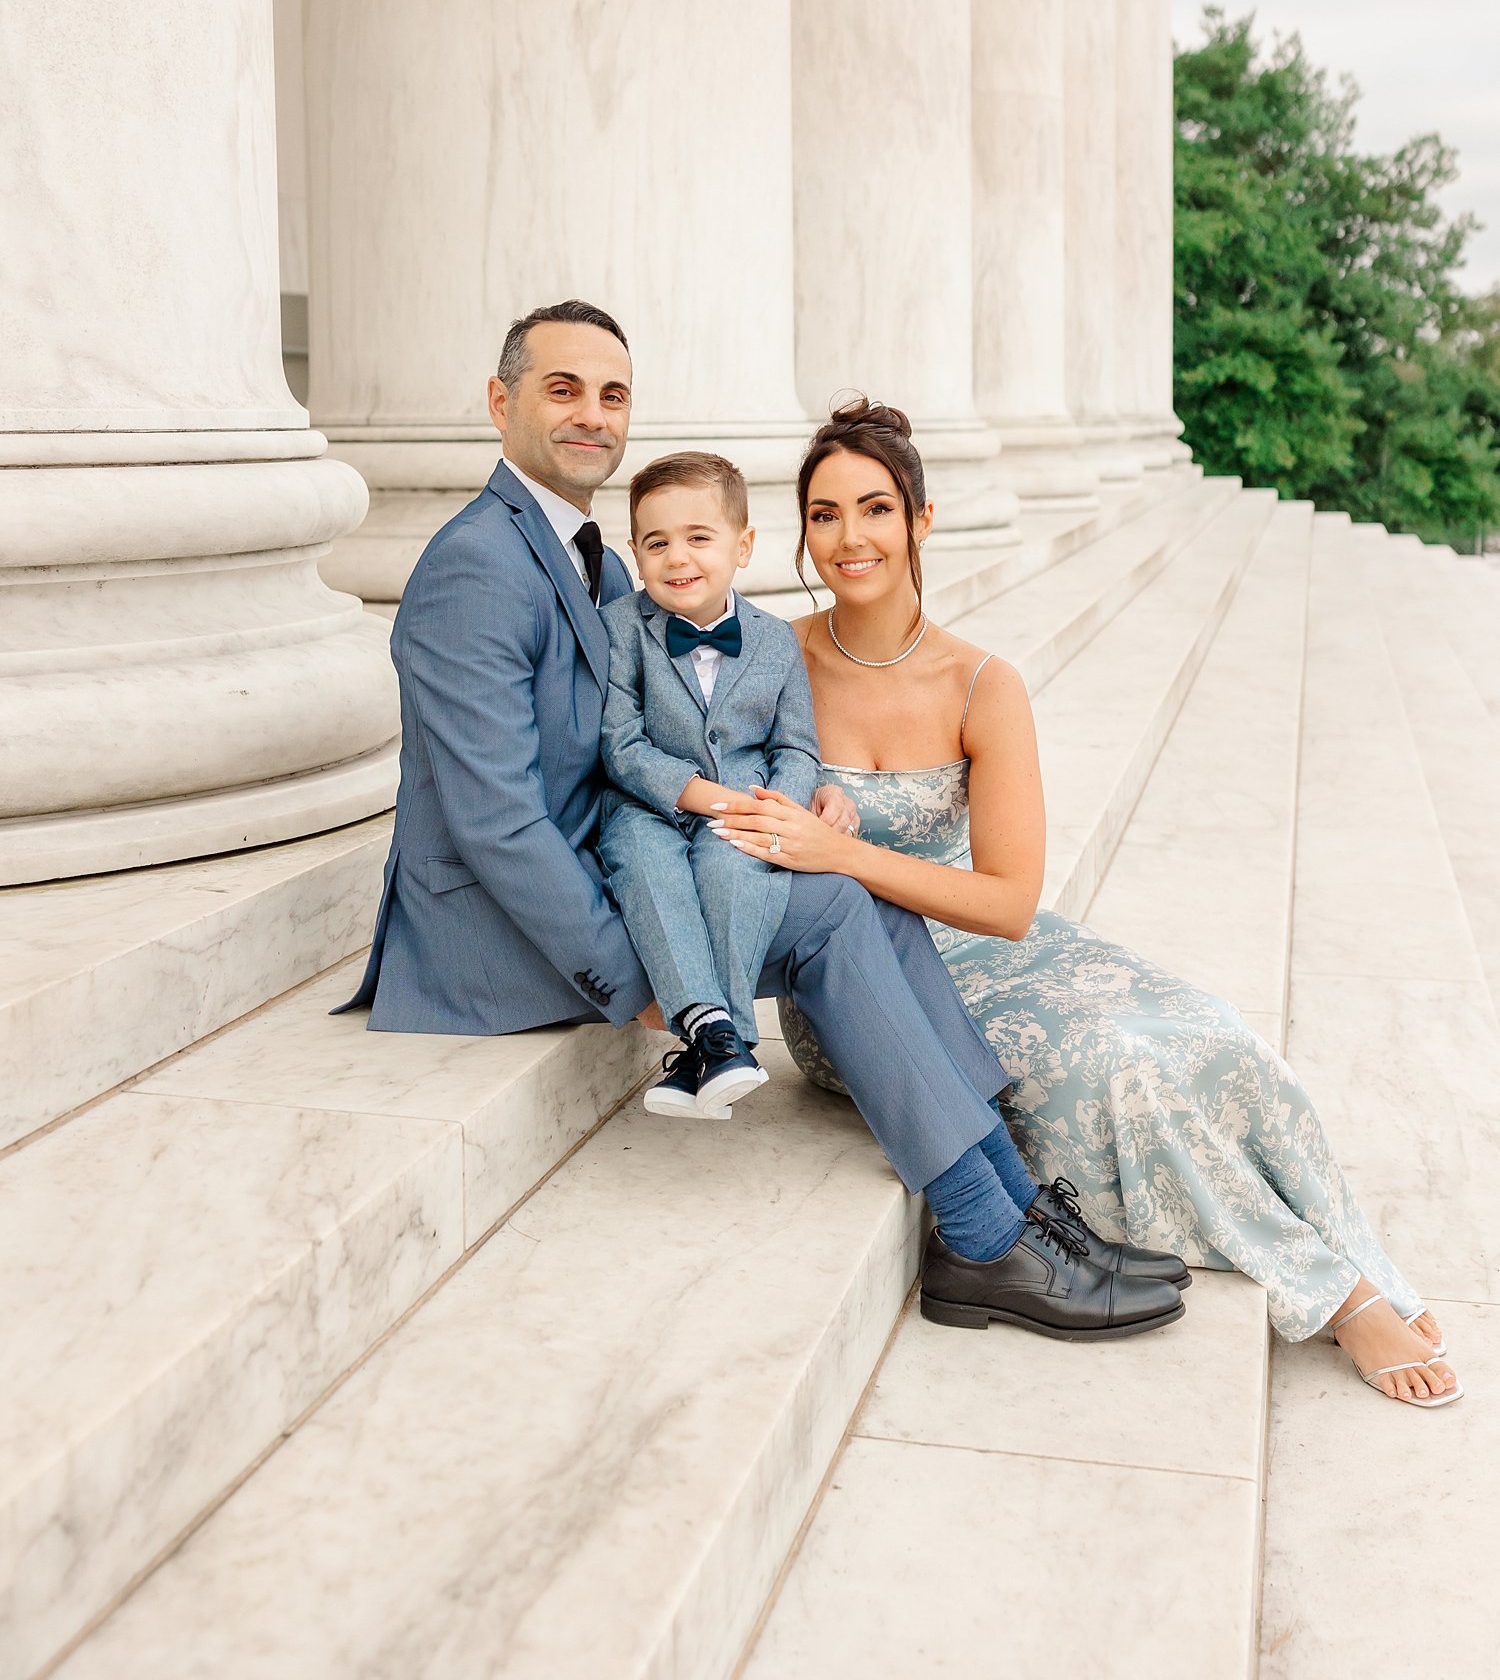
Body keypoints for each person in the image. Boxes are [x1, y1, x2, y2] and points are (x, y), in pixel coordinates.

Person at [336, 301, 1184, 1341]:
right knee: (835, 902)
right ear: (500, 401)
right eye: (563, 389)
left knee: (863, 898)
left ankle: (1011, 1210)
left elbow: (650, 742)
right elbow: (495, 823)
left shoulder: (600, 559)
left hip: (622, 857)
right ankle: (980, 1228)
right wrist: (645, 976)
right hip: (495, 930)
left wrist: (802, 798)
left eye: (613, 394)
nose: (592, 415)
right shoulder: (475, 564)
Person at [711, 399, 1463, 1407]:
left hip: (985, 942)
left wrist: (843, 854)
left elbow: (1011, 903)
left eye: (876, 509)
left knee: (1214, 1033)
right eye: (826, 514)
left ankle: (1354, 1248)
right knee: (1119, 1067)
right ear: (803, 531)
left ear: (920, 522)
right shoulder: (772, 660)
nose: (851, 538)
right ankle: (1335, 1295)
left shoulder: (983, 682)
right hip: (859, 983)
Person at [598, 452, 821, 1119]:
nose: (677, 558)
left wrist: (780, 810)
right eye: (657, 543)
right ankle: (722, 1036)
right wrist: (705, 797)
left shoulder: (777, 642)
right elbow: (620, 742)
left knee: (731, 869)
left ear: (743, 546)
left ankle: (709, 1048)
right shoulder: (619, 629)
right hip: (648, 805)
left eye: (699, 537)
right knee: (645, 865)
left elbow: (798, 746)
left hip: (749, 809)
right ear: (635, 554)